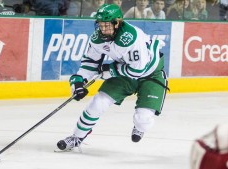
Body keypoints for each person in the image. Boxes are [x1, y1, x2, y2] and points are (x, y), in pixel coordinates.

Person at [56, 3, 168, 151]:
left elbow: (138, 69)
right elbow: (90, 63)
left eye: (107, 25)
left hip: (150, 73)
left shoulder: (131, 37)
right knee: (98, 102)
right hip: (123, 72)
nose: (103, 29)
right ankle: (77, 137)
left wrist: (111, 70)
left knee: (143, 119)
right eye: (101, 25)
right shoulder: (97, 38)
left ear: (118, 23)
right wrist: (78, 82)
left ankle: (140, 126)